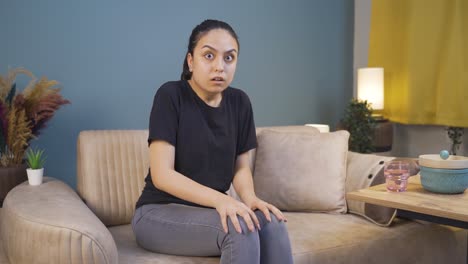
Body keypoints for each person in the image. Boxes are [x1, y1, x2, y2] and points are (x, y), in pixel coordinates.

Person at [132, 19, 293, 264]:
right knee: (240, 228)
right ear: (190, 60)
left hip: (207, 212)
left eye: (229, 58)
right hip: (158, 212)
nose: (220, 66)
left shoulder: (240, 102)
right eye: (209, 56)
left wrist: (250, 199)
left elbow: (240, 167)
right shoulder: (171, 96)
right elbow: (162, 175)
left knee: (272, 224)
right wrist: (222, 199)